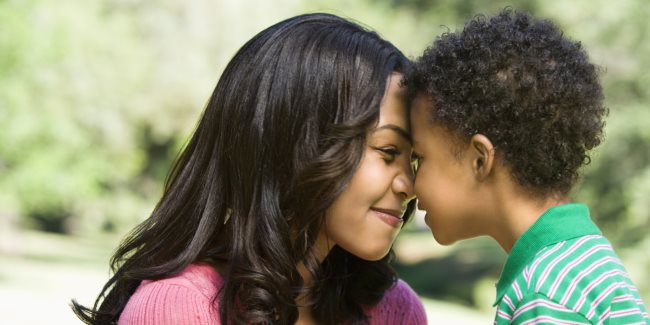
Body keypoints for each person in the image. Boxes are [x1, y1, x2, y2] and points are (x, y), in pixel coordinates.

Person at [72, 13, 427, 325]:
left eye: (413, 159)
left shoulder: (394, 310)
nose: (409, 185)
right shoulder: (177, 309)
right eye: (388, 151)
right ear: (296, 145)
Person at [405, 8, 649, 324]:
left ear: (480, 159)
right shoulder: (581, 261)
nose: (410, 183)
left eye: (419, 159)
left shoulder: (545, 294)